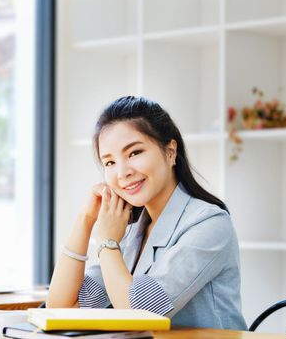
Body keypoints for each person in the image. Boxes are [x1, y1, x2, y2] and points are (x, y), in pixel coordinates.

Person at [46, 96, 247, 329]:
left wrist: (107, 242)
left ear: (170, 151)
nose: (122, 172)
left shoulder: (210, 224)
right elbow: (62, 309)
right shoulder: (133, 229)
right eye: (109, 162)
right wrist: (86, 220)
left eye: (134, 153)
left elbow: (139, 316)